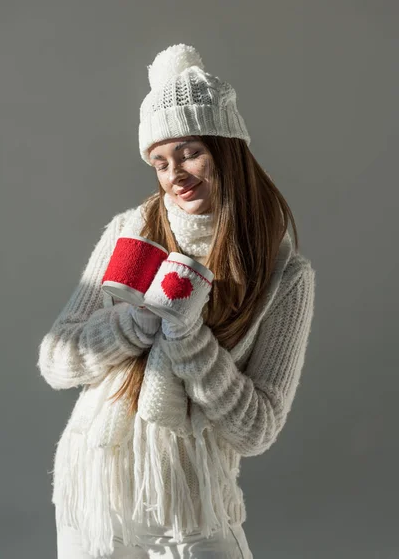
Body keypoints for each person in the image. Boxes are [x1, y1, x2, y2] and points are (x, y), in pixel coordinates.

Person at [37, 43, 316, 559]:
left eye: (190, 152)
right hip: (94, 492)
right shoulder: (133, 230)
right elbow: (57, 360)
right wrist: (132, 323)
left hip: (192, 502)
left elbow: (256, 427)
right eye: (161, 162)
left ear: (227, 148)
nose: (176, 175)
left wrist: (188, 336)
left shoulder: (284, 278)